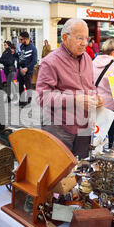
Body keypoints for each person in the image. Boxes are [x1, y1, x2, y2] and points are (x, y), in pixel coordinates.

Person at [36, 18, 103, 159]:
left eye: (86, 38)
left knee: (81, 171)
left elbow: (90, 85)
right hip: (59, 128)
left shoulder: (86, 58)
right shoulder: (50, 62)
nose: (85, 43)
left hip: (84, 127)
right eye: (80, 38)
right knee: (59, 171)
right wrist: (75, 100)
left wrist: (96, 97)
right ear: (65, 37)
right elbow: (43, 97)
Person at [17, 31, 38, 107]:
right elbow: (21, 58)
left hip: (28, 71)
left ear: (25, 39)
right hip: (21, 70)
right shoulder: (22, 46)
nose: (20, 41)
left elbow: (35, 61)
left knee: (28, 86)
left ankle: (28, 102)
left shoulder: (33, 48)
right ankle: (22, 100)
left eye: (21, 39)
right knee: (19, 85)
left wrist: (27, 68)